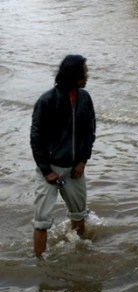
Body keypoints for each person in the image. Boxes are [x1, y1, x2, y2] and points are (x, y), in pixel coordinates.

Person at [30, 55, 96, 258]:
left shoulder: (85, 98)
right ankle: (39, 262)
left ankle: (80, 255)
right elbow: (36, 138)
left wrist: (82, 161)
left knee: (79, 214)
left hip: (75, 169)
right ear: (74, 75)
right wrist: (47, 171)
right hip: (50, 170)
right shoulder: (47, 100)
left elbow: (89, 132)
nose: (87, 75)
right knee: (42, 222)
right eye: (84, 72)